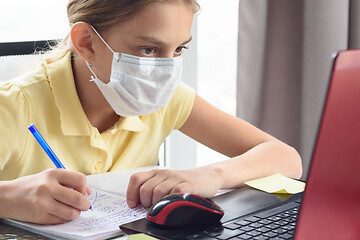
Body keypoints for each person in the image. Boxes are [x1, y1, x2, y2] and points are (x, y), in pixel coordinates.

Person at [0, 0, 302, 225]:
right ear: (87, 43)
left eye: (179, 49)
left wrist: (211, 175)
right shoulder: (15, 107)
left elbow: (286, 158)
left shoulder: (167, 99)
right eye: (148, 49)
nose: (166, 71)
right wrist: (7, 197)